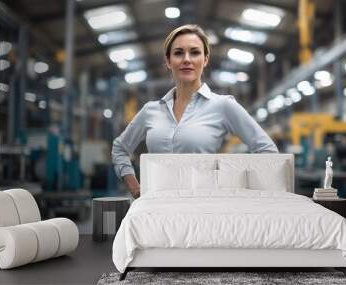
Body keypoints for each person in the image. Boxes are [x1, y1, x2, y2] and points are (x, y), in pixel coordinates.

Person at [112, 24, 278, 198]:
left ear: (205, 59)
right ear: (168, 61)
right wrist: (135, 188)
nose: (186, 59)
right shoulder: (151, 110)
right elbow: (119, 149)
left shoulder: (222, 106)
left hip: (202, 209)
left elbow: (267, 152)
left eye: (194, 52)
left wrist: (241, 194)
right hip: (156, 209)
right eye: (178, 53)